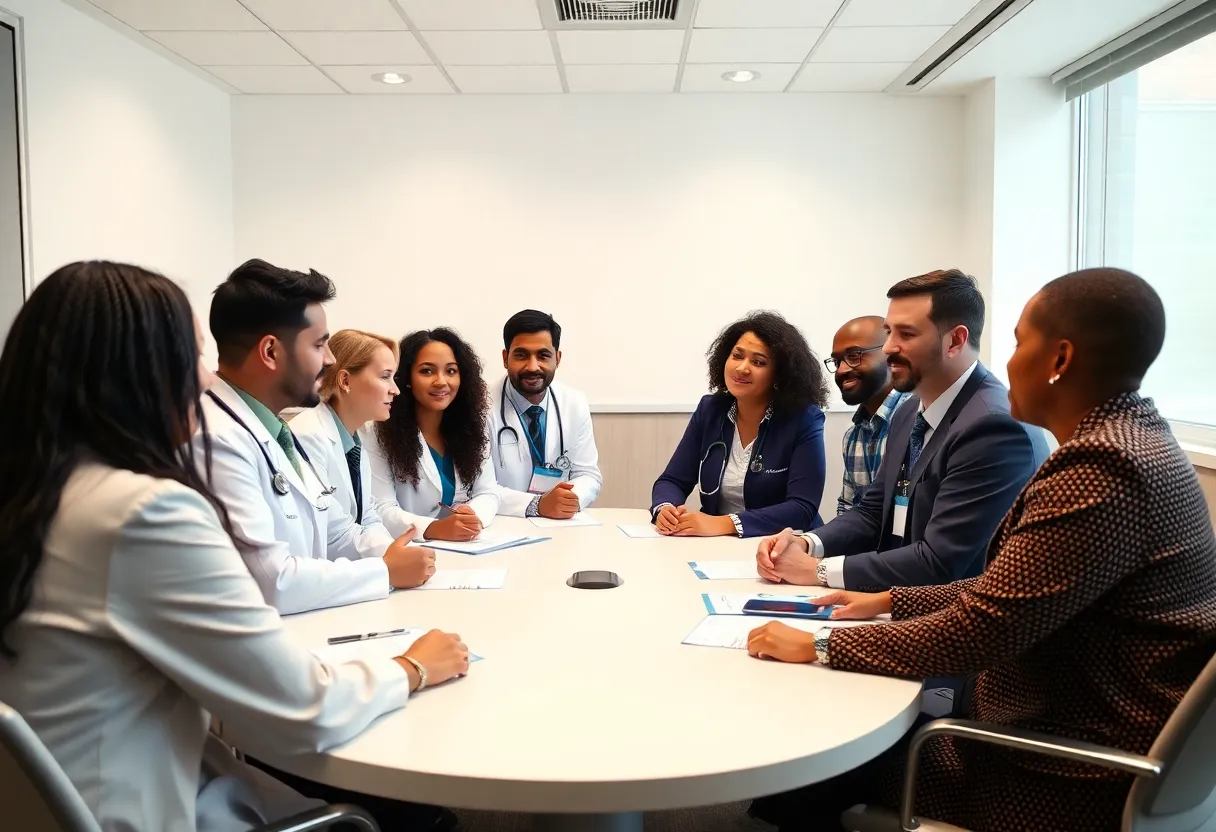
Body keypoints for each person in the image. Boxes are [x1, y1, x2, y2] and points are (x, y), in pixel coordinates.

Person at [0, 261, 470, 832]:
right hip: (143, 806)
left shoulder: (39, 494)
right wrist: (412, 667)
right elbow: (304, 708)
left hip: (72, 796)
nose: (204, 378)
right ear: (139, 375)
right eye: (193, 357)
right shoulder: (144, 512)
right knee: (420, 818)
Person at [745, 267, 1216, 832]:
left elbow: (985, 629)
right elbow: (1017, 590)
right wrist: (892, 599)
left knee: (810, 769)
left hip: (1059, 769)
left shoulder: (1101, 469)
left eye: (1020, 341)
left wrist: (820, 647)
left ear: (1060, 359)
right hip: (1075, 730)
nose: (1008, 361)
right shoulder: (1131, 442)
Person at [756, 270, 1049, 590]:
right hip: (899, 601)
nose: (889, 348)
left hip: (959, 622)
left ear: (955, 340)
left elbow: (938, 562)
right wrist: (807, 544)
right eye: (888, 333)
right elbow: (872, 511)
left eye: (906, 335)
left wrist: (818, 571)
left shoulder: (993, 426)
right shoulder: (910, 409)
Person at [198, 259, 434, 615]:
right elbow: (272, 582)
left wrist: (393, 557)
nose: (330, 359)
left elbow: (335, 532)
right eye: (319, 345)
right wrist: (384, 571)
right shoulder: (217, 441)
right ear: (271, 352)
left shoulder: (272, 430)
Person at [650, 311, 829, 538]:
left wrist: (723, 524)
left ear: (779, 375)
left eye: (758, 362)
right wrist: (666, 508)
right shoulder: (710, 410)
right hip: (719, 547)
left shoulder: (804, 419)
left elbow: (802, 509)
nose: (742, 368)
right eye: (737, 356)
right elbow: (672, 480)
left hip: (784, 547)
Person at [366, 328, 500, 540]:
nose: (441, 381)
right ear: (407, 377)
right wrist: (433, 528)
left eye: (451, 371)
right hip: (410, 552)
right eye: (427, 371)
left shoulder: (471, 428)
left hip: (466, 548)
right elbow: (380, 508)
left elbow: (489, 492)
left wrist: (472, 515)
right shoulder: (378, 432)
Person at [488, 310, 603, 519]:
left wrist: (570, 499)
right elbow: (477, 488)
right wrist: (537, 505)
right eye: (521, 355)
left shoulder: (574, 403)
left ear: (557, 359)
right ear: (505, 358)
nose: (532, 366)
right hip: (501, 524)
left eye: (543, 355)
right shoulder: (481, 406)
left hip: (559, 526)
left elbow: (588, 474)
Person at [291, 329, 399, 541]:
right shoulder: (307, 436)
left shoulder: (353, 442)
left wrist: (399, 554)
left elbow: (368, 517)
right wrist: (393, 557)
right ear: (346, 381)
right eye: (385, 376)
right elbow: (334, 534)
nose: (395, 390)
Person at [827, 315, 912, 515]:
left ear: (890, 353)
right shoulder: (853, 436)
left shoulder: (917, 419)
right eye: (837, 361)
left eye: (854, 356)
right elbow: (848, 509)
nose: (842, 370)